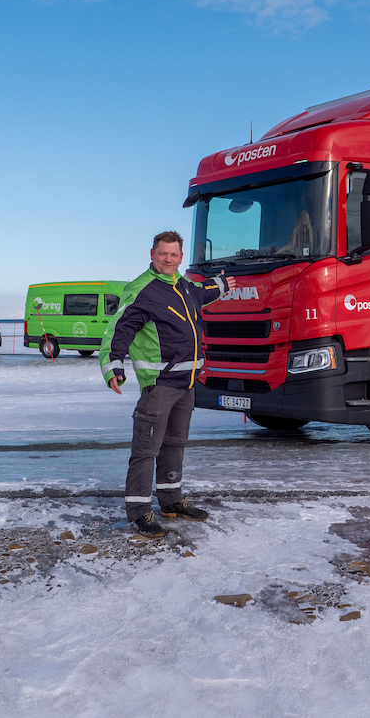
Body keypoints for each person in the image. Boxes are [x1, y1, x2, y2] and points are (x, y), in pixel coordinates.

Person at [100, 230, 237, 538]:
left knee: (175, 445)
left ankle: (172, 501)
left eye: (174, 255)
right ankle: (139, 512)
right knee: (146, 449)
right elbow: (118, 329)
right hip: (159, 385)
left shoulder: (184, 286)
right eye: (163, 254)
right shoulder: (142, 289)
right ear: (152, 254)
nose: (168, 259)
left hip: (186, 384)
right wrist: (113, 367)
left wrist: (223, 285)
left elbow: (203, 292)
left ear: (180, 257)